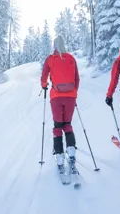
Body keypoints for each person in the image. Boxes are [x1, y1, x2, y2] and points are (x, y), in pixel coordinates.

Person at [41, 35, 80, 166]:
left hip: (56, 97)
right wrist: (74, 93)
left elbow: (44, 76)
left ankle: (60, 155)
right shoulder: (71, 58)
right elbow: (77, 79)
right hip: (70, 97)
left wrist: (44, 85)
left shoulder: (50, 59)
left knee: (58, 126)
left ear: (54, 46)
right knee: (67, 124)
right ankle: (71, 150)